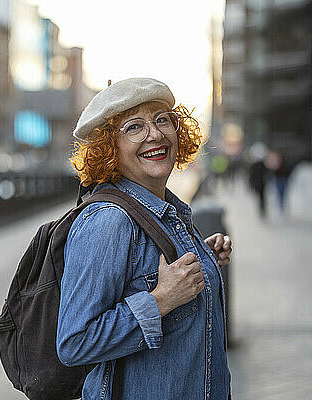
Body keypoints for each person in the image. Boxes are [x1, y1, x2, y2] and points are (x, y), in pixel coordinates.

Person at [57, 78, 233, 400]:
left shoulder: (167, 210)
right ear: (109, 147)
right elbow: (74, 342)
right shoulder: (109, 221)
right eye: (134, 127)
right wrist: (160, 300)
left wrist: (202, 259)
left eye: (162, 119)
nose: (155, 134)